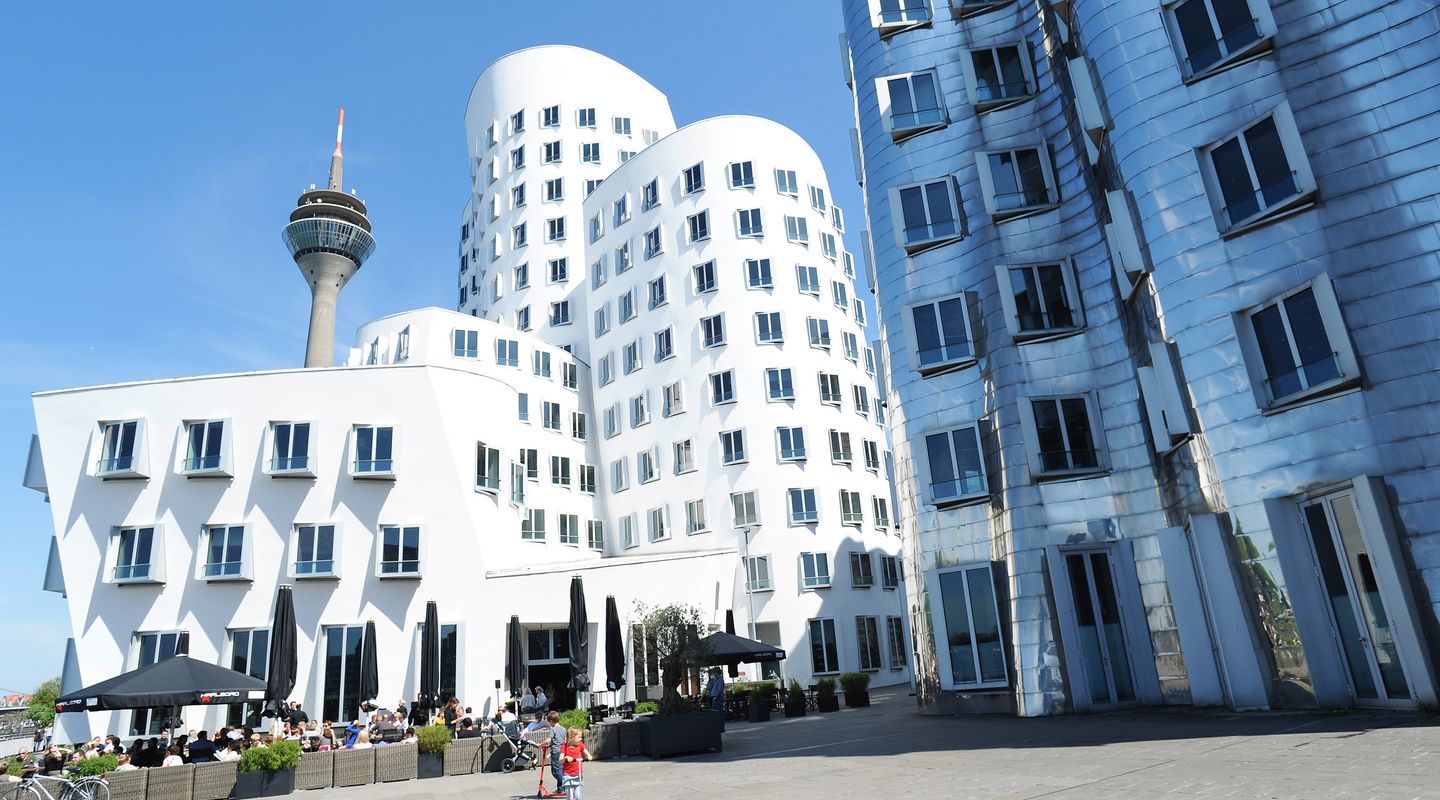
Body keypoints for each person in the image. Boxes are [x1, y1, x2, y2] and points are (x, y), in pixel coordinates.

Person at [558, 727, 593, 800]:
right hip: (567, 775)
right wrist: (565, 758)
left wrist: (589, 756)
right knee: (569, 796)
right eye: (579, 737)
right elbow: (560, 761)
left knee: (578, 796)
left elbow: (587, 753)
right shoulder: (564, 747)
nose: (581, 739)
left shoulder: (580, 745)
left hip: (578, 774)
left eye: (581, 737)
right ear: (572, 738)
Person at [540, 711, 566, 795]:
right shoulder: (563, 728)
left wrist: (540, 745)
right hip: (563, 751)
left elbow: (548, 740)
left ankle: (566, 782)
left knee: (555, 772)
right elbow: (562, 741)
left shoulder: (553, 729)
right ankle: (560, 789)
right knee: (561, 770)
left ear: (551, 721)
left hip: (556, 752)